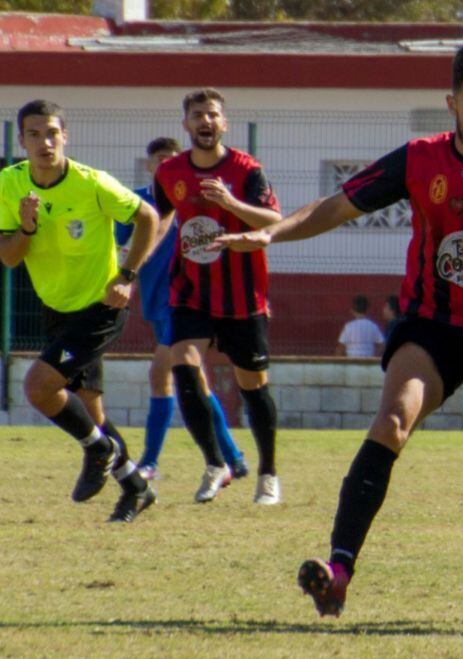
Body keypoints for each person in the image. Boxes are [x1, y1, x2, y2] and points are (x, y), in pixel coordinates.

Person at [214, 42, 463, 626]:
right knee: (394, 419)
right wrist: (274, 235)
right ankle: (339, 568)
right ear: (451, 103)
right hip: (432, 328)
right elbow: (336, 206)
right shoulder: (419, 160)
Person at [0, 99, 159, 522]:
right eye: (34, 134)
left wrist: (126, 274)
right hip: (57, 308)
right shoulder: (8, 184)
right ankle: (135, 486)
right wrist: (27, 227)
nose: (44, 142)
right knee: (91, 412)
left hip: (100, 308)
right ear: (21, 141)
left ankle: (98, 450)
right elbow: (10, 257)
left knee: (38, 387)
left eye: (52, 133)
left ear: (65, 136)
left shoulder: (93, 183)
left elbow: (149, 217)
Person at [153, 88, 282, 505]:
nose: (205, 122)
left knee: (253, 387)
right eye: (197, 115)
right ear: (186, 124)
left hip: (243, 298)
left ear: (224, 123)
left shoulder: (246, 170)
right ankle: (215, 463)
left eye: (212, 115)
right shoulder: (169, 172)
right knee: (183, 365)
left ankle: (267, 473)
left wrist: (230, 202)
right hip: (190, 292)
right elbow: (158, 219)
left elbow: (273, 220)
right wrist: (130, 266)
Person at [113, 137, 249, 482]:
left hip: (186, 299)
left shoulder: (194, 197)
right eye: (160, 160)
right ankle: (233, 457)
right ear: (150, 165)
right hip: (156, 300)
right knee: (194, 381)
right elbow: (118, 240)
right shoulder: (140, 201)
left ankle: (150, 462)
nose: (166, 166)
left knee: (163, 375)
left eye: (172, 160)